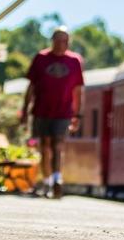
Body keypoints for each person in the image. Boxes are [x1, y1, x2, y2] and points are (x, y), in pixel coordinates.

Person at [20, 27, 84, 199]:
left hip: (63, 112)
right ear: (52, 41)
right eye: (59, 40)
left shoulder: (75, 61)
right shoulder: (41, 58)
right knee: (45, 147)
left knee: (57, 145)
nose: (62, 44)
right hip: (41, 109)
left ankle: (57, 180)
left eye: (66, 41)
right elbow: (31, 87)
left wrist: (77, 114)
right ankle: (47, 181)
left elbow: (78, 90)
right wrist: (25, 110)